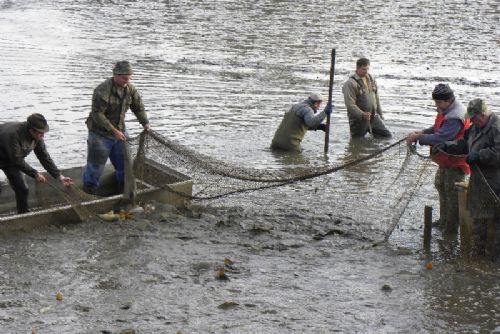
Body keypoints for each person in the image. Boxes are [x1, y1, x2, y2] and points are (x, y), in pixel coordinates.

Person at [434, 99, 500, 260]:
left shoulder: (496, 128)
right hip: (479, 181)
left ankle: (494, 260)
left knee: (497, 222)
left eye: (474, 118)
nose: (471, 121)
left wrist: (480, 155)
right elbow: (464, 143)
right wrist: (447, 145)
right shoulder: (475, 127)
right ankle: (477, 255)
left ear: (483, 115)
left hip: (495, 183)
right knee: (478, 218)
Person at [406, 84, 471, 234]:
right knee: (440, 185)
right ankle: (443, 221)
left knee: (452, 195)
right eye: (435, 102)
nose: (437, 105)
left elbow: (441, 136)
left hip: (455, 163)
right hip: (445, 161)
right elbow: (437, 128)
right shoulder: (447, 109)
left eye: (439, 102)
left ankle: (451, 230)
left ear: (448, 100)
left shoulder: (456, 116)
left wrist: (419, 137)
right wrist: (422, 131)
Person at [83, 61, 150, 195]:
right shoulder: (102, 90)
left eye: (130, 77)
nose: (128, 80)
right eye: (125, 78)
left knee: (125, 166)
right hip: (100, 134)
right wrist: (114, 131)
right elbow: (97, 115)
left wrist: (145, 122)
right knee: (95, 169)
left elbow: (138, 107)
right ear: (116, 75)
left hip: (120, 131)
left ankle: (122, 193)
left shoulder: (130, 89)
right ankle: (89, 195)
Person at [0, 114, 74, 213]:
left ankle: (23, 215)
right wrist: (35, 173)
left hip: (9, 160)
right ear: (31, 131)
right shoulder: (14, 134)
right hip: (10, 157)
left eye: (43, 133)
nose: (43, 136)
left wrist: (59, 176)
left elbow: (44, 157)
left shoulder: (37, 137)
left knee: (23, 189)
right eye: (40, 133)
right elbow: (17, 159)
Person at [342, 57, 391, 138]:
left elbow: (376, 97)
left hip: (373, 117)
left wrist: (380, 113)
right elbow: (350, 105)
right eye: (364, 69)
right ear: (357, 68)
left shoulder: (371, 79)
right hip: (358, 120)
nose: (366, 72)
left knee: (387, 136)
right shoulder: (350, 83)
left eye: (368, 69)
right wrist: (362, 114)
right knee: (357, 142)